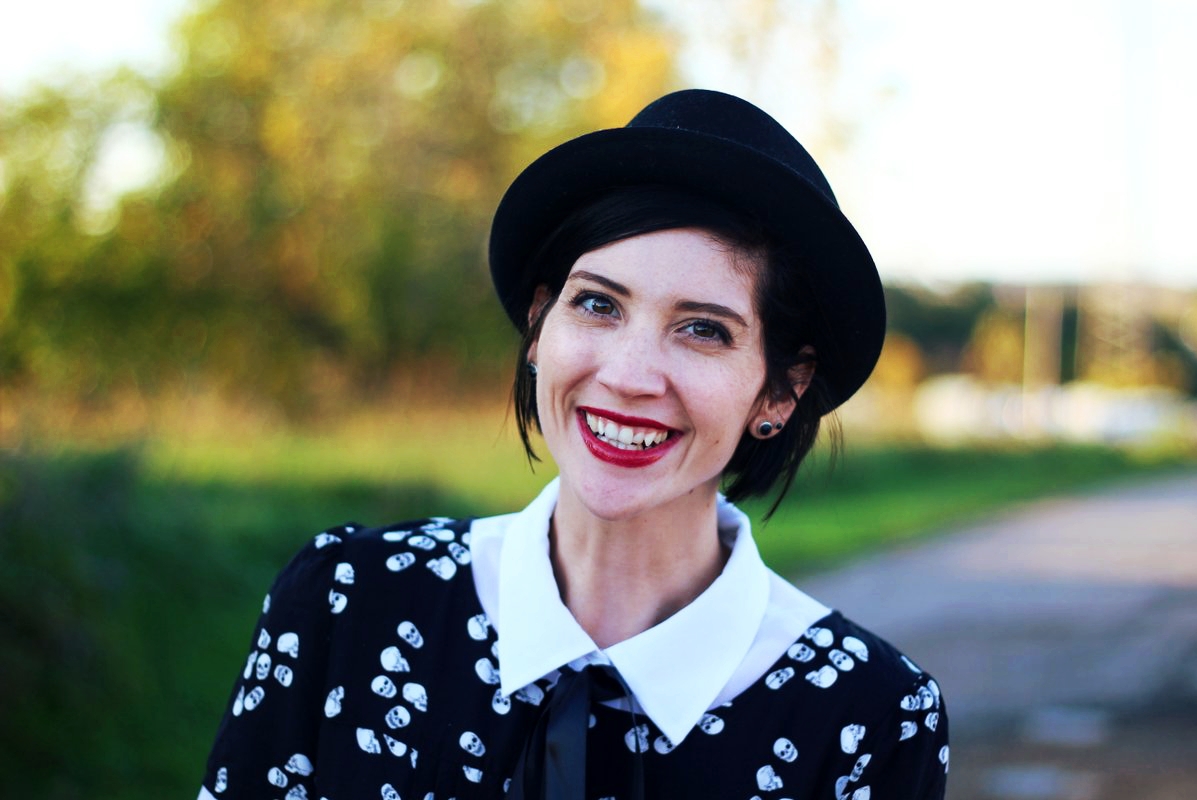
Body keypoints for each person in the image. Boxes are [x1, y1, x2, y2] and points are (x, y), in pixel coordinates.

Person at [198, 89, 949, 800]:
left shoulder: (871, 720)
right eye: (597, 304)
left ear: (781, 392)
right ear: (538, 326)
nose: (627, 375)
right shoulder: (347, 602)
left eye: (702, 329)